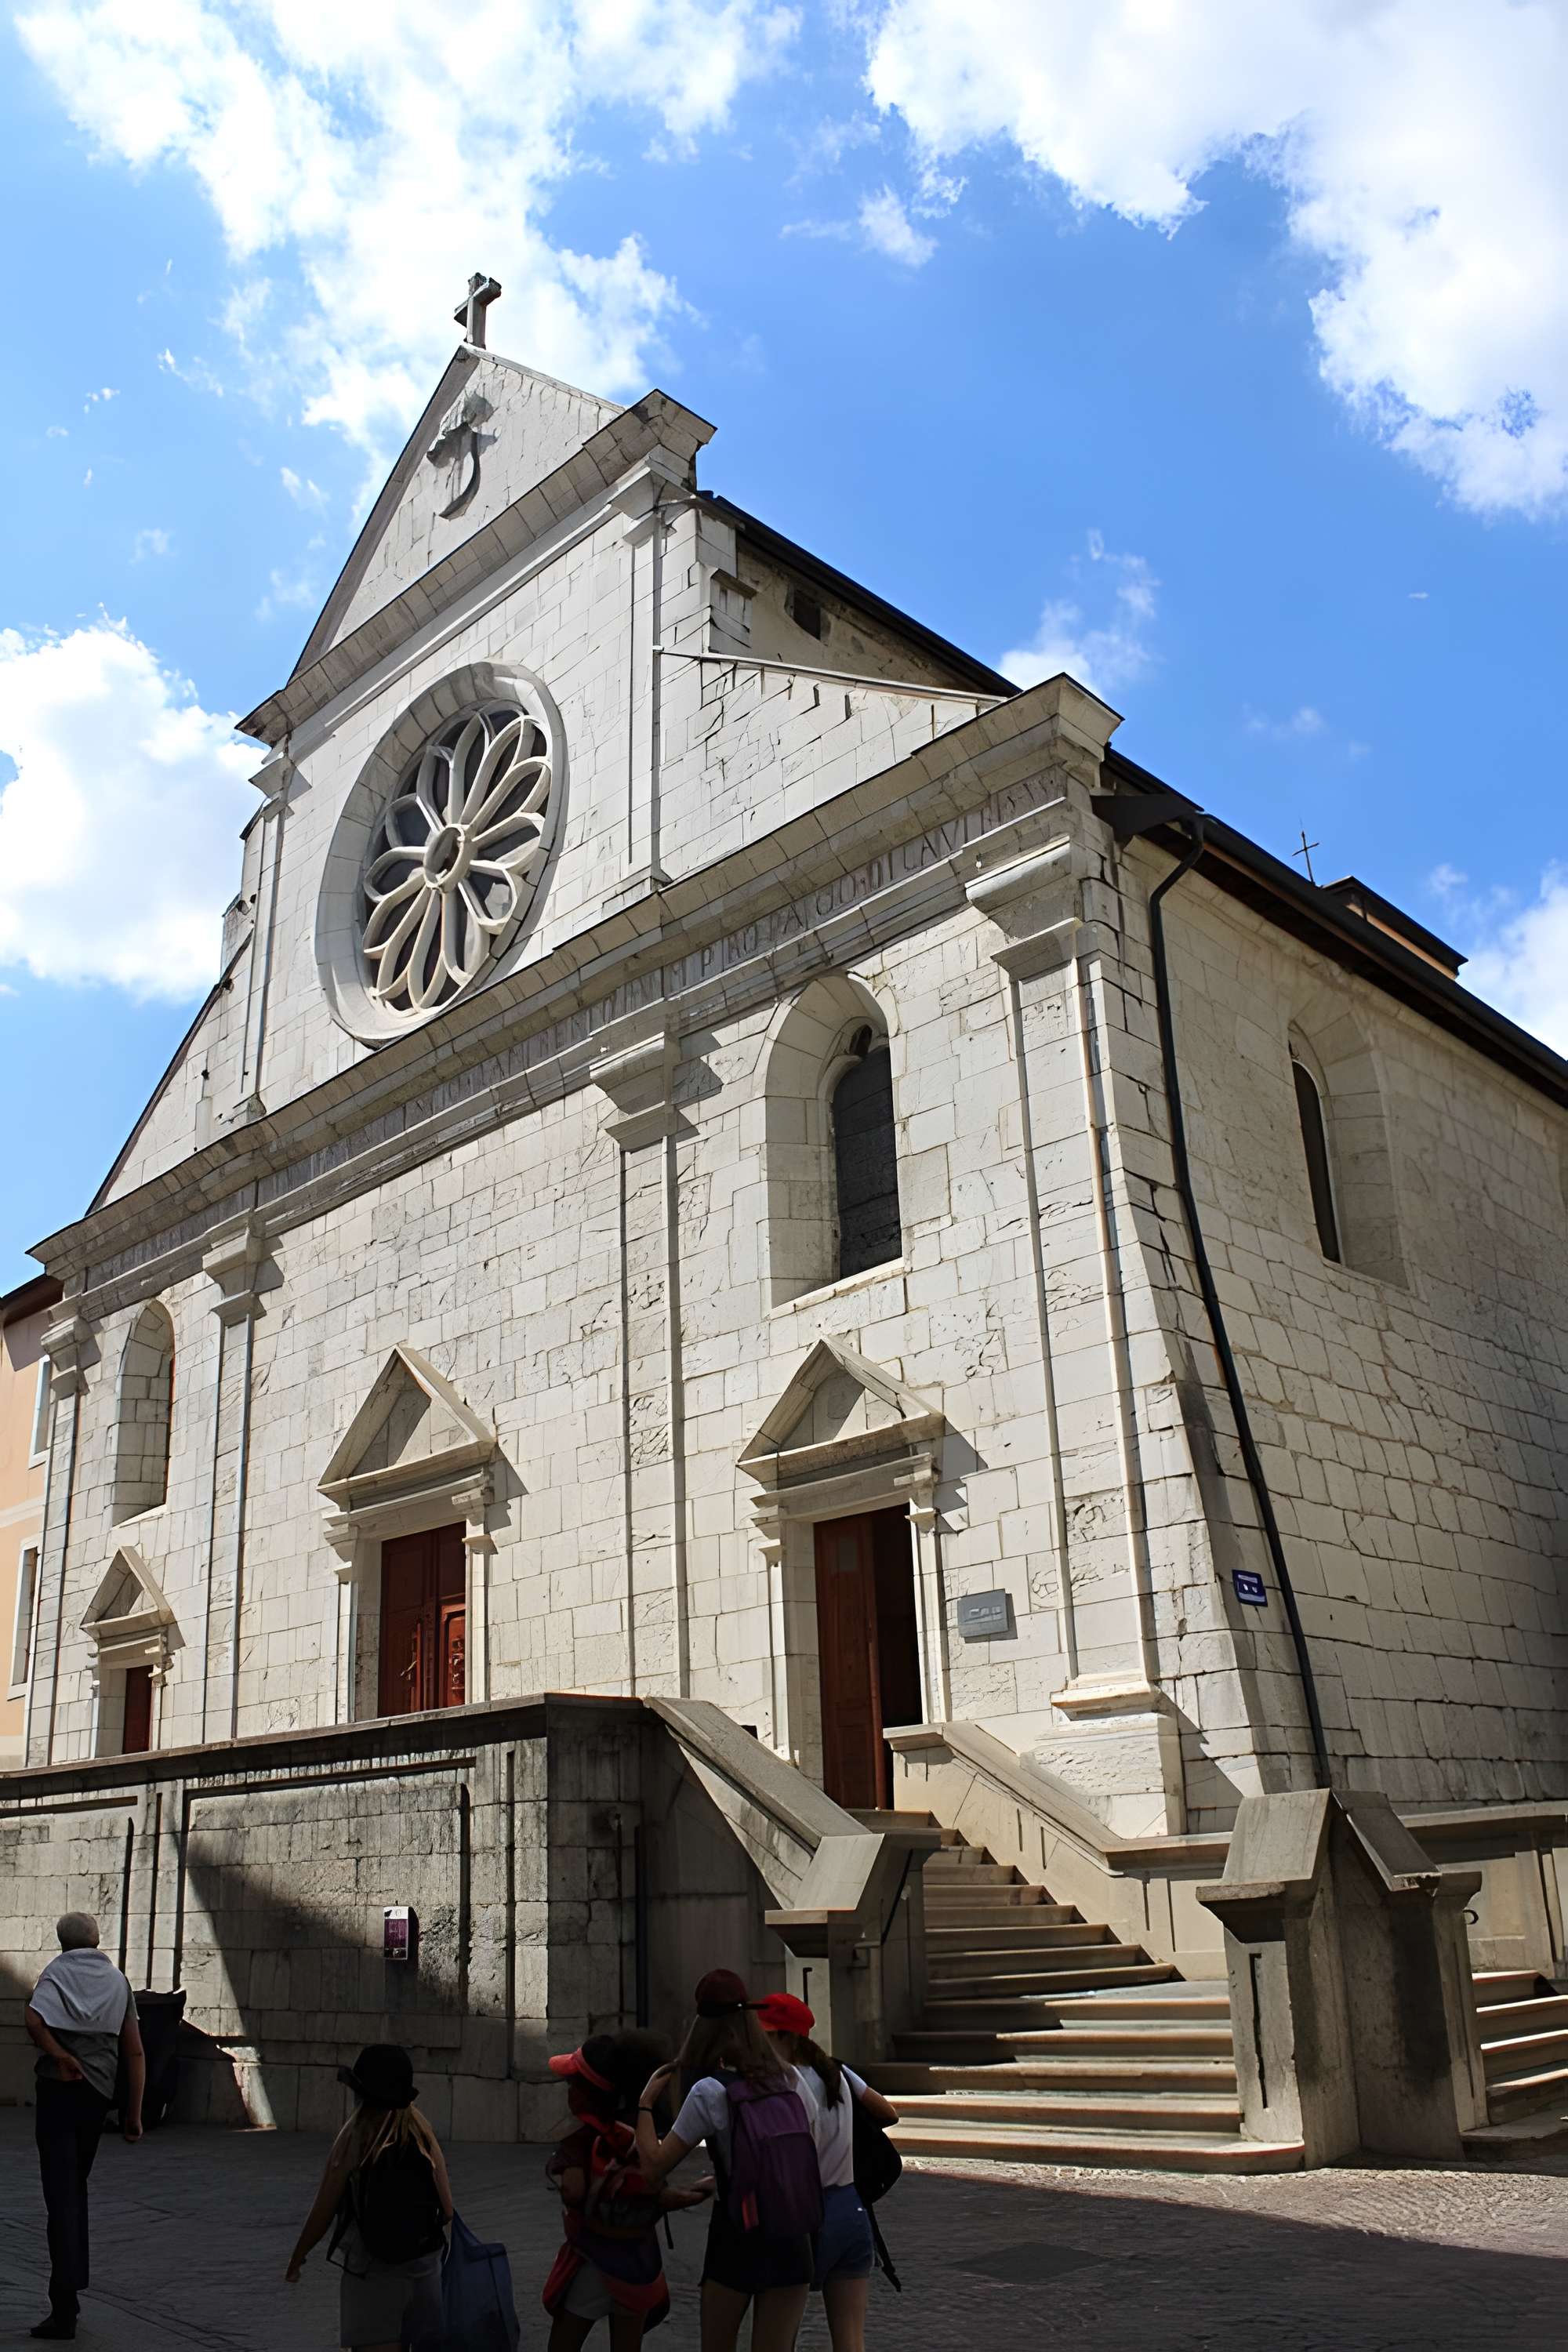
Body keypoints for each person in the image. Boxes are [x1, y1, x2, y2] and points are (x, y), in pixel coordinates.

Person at [633, 1969, 817, 2352]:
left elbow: (653, 2166)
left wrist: (645, 2105)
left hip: (738, 2234)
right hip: (792, 2232)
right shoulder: (791, 2080)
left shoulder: (710, 2091)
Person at [543, 2027, 714, 2347]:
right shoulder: (641, 2137)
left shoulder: (581, 2139)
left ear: (587, 2092)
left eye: (572, 2083)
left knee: (564, 2344)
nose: (568, 2090)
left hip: (592, 2261)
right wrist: (693, 2192)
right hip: (638, 2264)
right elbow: (654, 2194)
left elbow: (574, 2191)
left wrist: (567, 2171)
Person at [754, 1993, 899, 2352]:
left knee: (776, 2338)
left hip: (806, 2216)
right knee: (850, 2341)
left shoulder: (783, 2084)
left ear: (783, 2037)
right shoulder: (836, 2070)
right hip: (852, 2213)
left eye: (762, 2034)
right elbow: (888, 2113)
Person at [24, 1911, 144, 2342]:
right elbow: (134, 2052)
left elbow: (34, 2020)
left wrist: (59, 2054)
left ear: (62, 1942)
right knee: (74, 2189)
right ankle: (68, 2298)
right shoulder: (117, 1981)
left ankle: (64, 2307)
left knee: (62, 2197)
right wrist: (133, 2113)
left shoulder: (55, 1973)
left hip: (58, 2093)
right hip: (97, 2097)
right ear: (96, 1940)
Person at [285, 2043, 452, 2352]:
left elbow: (324, 2207)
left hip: (372, 2271)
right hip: (424, 2270)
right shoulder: (421, 2133)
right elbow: (448, 2208)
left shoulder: (354, 2137)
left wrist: (297, 2258)